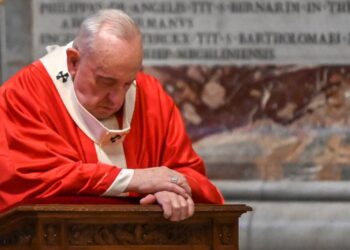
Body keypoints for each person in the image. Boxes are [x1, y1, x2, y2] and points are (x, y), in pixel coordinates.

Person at [0, 9, 224, 221]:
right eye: (106, 82)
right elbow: (31, 179)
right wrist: (137, 180)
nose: (117, 99)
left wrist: (171, 190)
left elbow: (189, 173)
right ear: (74, 62)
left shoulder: (150, 94)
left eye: (127, 83)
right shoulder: (24, 96)